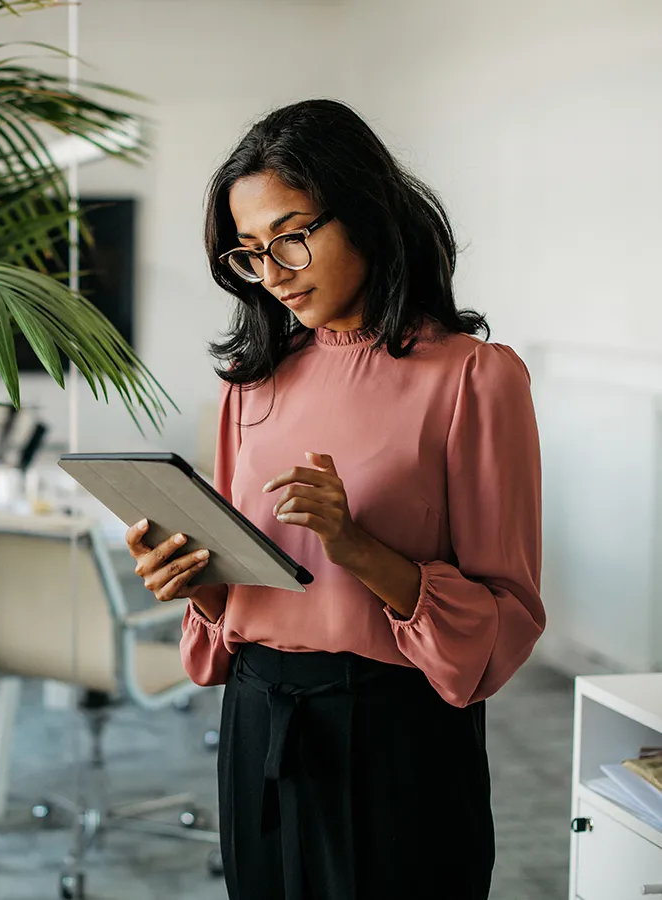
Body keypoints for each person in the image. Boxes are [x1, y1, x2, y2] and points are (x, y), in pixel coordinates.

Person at [125, 98, 545, 900]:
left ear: (364, 213)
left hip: (396, 735)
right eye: (250, 253)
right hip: (257, 721)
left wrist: (357, 547)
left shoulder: (474, 378)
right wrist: (198, 583)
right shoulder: (251, 384)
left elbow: (506, 623)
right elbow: (249, 592)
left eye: (292, 236)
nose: (274, 272)